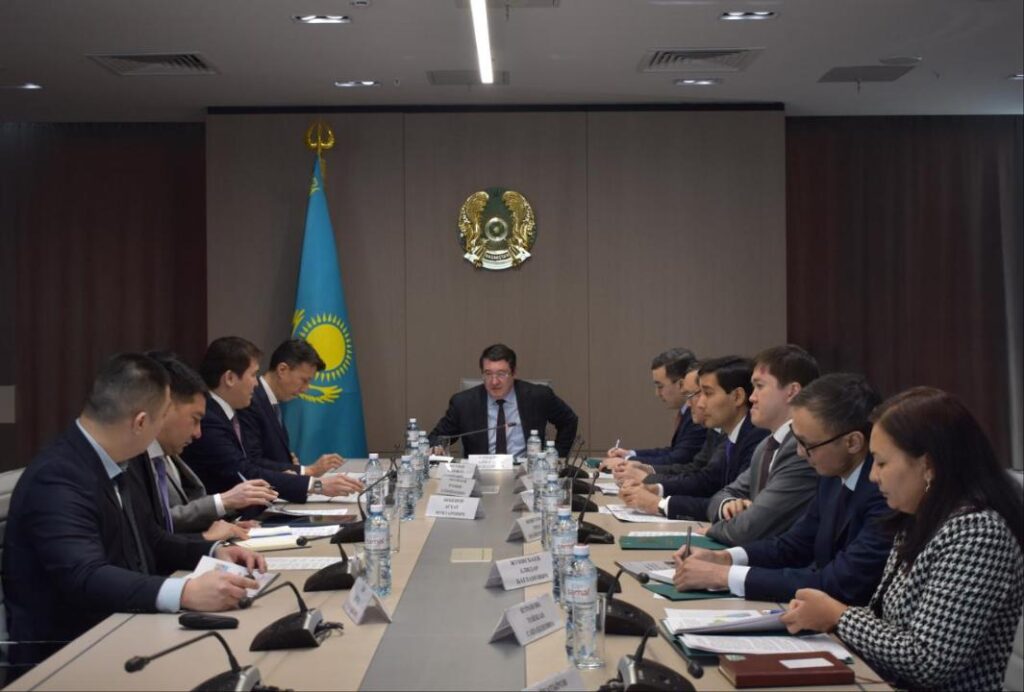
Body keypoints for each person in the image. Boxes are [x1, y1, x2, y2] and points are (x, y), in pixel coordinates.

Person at [2, 354, 265, 669]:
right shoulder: (58, 476)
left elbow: (150, 539)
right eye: (162, 416)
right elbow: (85, 576)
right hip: (69, 655)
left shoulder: (113, 460)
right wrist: (185, 591)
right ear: (140, 422)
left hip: (122, 628)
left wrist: (213, 552)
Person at [780, 387, 1024, 691]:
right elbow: (886, 619)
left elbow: (928, 660)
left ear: (928, 466)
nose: (873, 476)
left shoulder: (978, 534)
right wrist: (823, 616)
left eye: (881, 463)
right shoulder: (916, 518)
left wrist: (837, 616)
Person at [673, 373, 893, 606]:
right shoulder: (831, 476)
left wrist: (723, 576)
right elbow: (794, 545)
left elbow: (839, 583)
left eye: (807, 444)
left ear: (853, 442)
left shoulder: (885, 493)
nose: (800, 452)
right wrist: (724, 558)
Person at [182, 337, 363, 504]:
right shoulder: (209, 420)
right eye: (253, 375)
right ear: (229, 378)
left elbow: (249, 465)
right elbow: (244, 471)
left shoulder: (226, 413)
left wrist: (289, 471)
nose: (256, 383)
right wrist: (315, 483)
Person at [127, 352, 278, 539]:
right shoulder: (131, 459)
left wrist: (224, 527)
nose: (198, 433)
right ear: (166, 407)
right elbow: (155, 525)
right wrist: (221, 506)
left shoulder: (167, 452)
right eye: (195, 419)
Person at [621, 356, 768, 519]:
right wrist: (657, 488)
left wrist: (660, 503)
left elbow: (733, 504)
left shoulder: (757, 439)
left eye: (708, 393)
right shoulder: (733, 435)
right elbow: (709, 482)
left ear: (737, 397)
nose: (699, 403)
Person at [701, 344, 820, 545]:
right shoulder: (766, 444)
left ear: (792, 391)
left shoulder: (802, 449)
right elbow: (721, 496)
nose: (752, 397)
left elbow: (747, 530)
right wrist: (728, 506)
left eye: (760, 386)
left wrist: (714, 529)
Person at [428, 343, 578, 457]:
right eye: (488, 374)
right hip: (480, 473)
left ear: (514, 373)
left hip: (526, 473)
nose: (494, 382)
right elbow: (436, 438)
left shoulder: (538, 396)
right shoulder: (463, 403)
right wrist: (437, 446)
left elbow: (569, 420)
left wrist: (558, 456)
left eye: (501, 374)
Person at [238, 339, 345, 476]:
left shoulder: (272, 403)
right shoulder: (250, 401)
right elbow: (253, 461)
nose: (305, 389)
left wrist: (289, 464)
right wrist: (308, 470)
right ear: (282, 370)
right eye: (304, 380)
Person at [602, 348, 706, 470]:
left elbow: (678, 459)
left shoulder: (699, 415)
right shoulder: (687, 412)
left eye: (660, 386)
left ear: (681, 384)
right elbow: (674, 451)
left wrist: (626, 461)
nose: (657, 393)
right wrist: (629, 454)